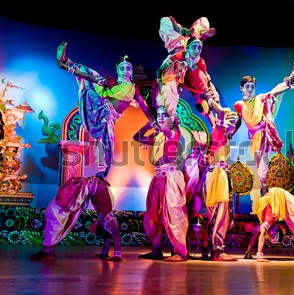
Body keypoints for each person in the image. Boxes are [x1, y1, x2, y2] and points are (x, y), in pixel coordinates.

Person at [30, 42, 157, 261]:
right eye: (122, 68)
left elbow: (145, 109)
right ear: (118, 71)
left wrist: (154, 122)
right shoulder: (110, 84)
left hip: (107, 121)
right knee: (93, 76)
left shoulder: (133, 89)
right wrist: (76, 72)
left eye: (128, 68)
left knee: (103, 199)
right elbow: (95, 82)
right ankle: (66, 65)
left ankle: (111, 249)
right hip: (100, 114)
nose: (126, 71)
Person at [233, 63, 294, 195]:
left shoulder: (260, 98)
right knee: (260, 164)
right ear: (241, 88)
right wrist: (231, 132)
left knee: (263, 162)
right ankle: (264, 187)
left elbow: (273, 92)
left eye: (252, 86)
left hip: (264, 131)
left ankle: (265, 187)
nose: (250, 89)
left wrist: (289, 81)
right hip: (254, 136)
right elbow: (238, 121)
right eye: (247, 86)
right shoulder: (238, 105)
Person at [134, 106, 189, 262]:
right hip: (158, 176)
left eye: (164, 115)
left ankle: (179, 252)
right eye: (158, 115)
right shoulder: (157, 136)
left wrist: (171, 118)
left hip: (171, 176)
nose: (160, 117)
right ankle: (156, 250)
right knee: (153, 214)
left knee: (174, 214)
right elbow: (136, 137)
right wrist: (148, 124)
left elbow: (165, 127)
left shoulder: (173, 133)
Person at [154, 17, 223, 125]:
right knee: (165, 20)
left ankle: (215, 123)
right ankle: (169, 115)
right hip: (177, 64)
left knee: (203, 90)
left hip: (189, 69)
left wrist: (210, 93)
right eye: (199, 25)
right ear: (194, 23)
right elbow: (163, 68)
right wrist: (185, 31)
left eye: (203, 29)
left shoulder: (197, 54)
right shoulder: (181, 37)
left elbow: (203, 76)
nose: (199, 28)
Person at [202, 104, 241, 261]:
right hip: (218, 176)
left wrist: (239, 116)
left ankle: (213, 248)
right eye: (231, 121)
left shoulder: (222, 133)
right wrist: (211, 99)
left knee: (217, 213)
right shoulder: (219, 131)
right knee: (220, 213)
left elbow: (235, 125)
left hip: (216, 175)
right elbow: (221, 118)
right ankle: (218, 251)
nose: (233, 125)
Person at [183, 130, 210, 260]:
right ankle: (200, 149)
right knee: (197, 172)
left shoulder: (189, 225)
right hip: (195, 197)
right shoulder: (200, 230)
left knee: (192, 173)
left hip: (191, 198)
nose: (196, 234)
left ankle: (198, 148)